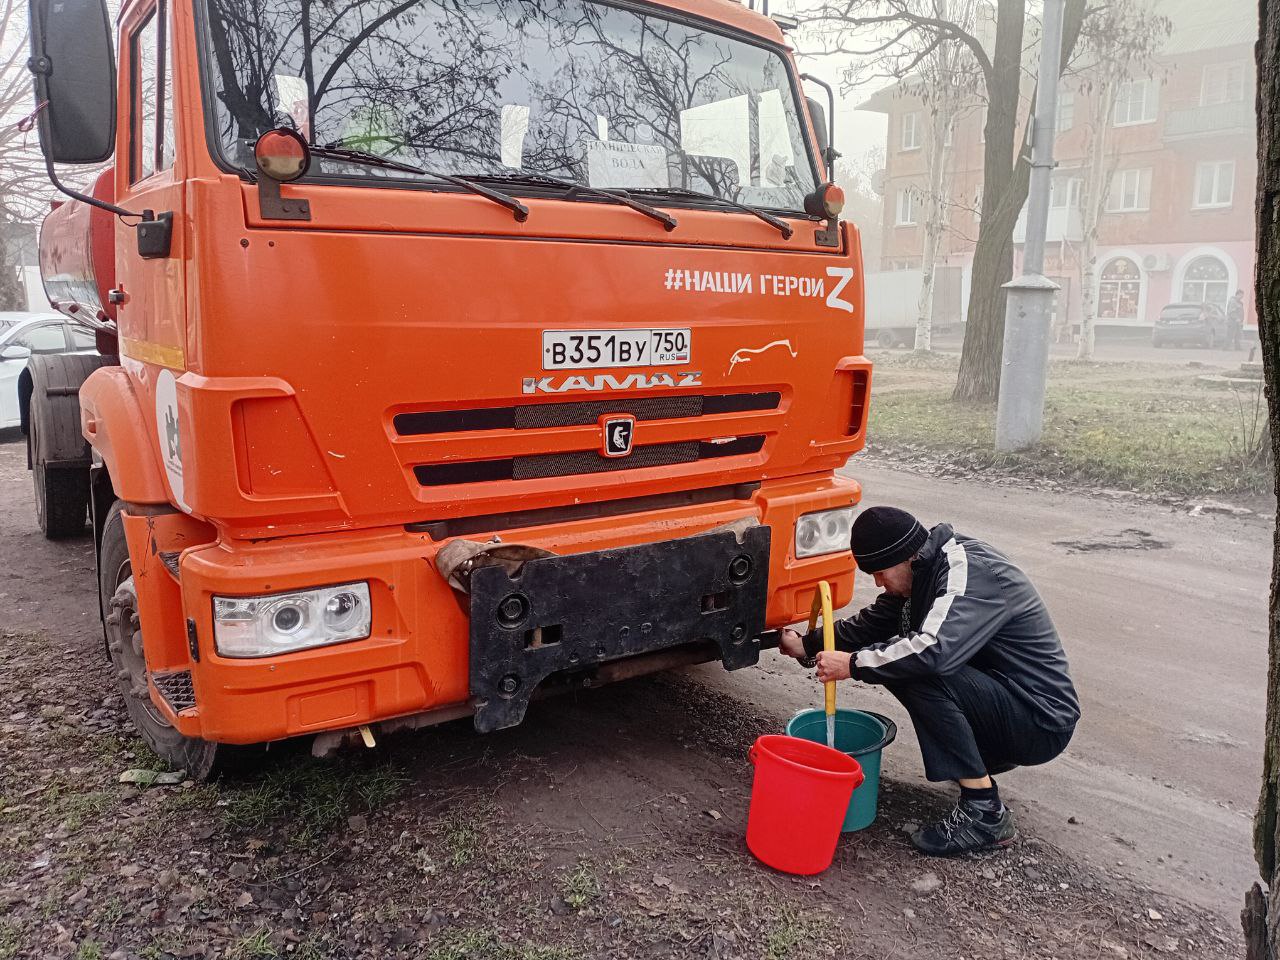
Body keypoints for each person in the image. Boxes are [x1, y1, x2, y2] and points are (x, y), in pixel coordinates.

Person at [779, 506, 1079, 857]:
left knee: (917, 668)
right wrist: (808, 645)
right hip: (1005, 705)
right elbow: (874, 624)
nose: (878, 583)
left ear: (903, 557)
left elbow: (934, 651)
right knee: (897, 658)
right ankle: (977, 764)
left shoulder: (965, 571)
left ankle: (985, 813)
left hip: (1040, 721)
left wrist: (853, 664)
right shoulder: (923, 571)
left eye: (878, 573)